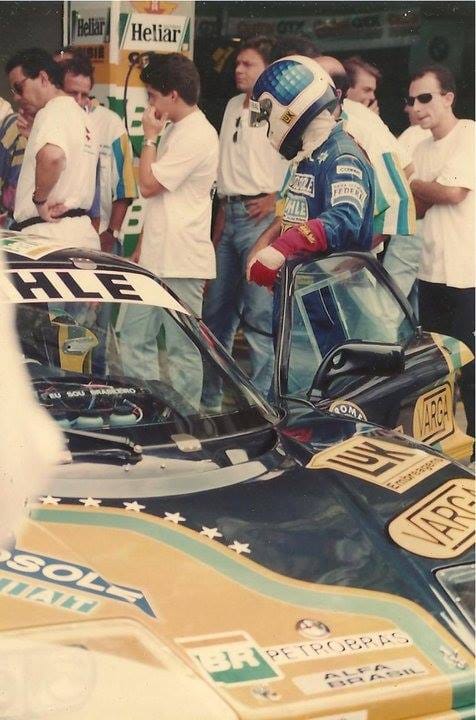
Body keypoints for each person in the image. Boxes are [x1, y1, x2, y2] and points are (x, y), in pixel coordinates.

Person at [120, 53, 218, 404]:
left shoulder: (198, 133)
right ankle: (147, 408)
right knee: (133, 338)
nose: (150, 105)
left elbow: (148, 185)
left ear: (173, 94)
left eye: (152, 96)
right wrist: (141, 247)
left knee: (182, 349)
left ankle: (186, 417)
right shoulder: (177, 128)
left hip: (182, 259)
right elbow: (157, 198)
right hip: (157, 255)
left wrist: (148, 138)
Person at [202, 36, 288, 405]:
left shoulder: (280, 109)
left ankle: (262, 402)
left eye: (248, 64)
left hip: (261, 220)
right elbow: (225, 167)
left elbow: (296, 160)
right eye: (237, 63)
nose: (239, 69)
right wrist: (220, 219)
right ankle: (210, 397)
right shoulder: (231, 106)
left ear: (268, 69)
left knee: (259, 316)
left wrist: (277, 198)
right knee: (215, 312)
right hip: (230, 214)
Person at [247, 55, 374, 289]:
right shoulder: (310, 153)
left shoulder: (342, 156)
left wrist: (282, 248)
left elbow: (344, 219)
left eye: (269, 118)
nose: (269, 128)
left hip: (336, 295)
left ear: (288, 112)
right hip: (307, 290)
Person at [408, 65, 474, 438]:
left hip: (467, 273)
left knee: (472, 369)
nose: (417, 107)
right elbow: (417, 208)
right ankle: (446, 445)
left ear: (448, 98)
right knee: (437, 369)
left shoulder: (469, 134)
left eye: (425, 97)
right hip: (430, 272)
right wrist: (426, 187)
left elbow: (452, 193)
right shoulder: (419, 147)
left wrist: (416, 183)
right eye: (412, 100)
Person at [5, 48, 100, 247]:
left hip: (46, 234)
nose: (17, 97)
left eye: (19, 87)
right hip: (82, 232)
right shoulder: (85, 118)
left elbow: (53, 157)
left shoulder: (51, 111)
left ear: (43, 78)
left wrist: (39, 201)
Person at [60, 53, 137, 253]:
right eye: (72, 93)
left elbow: (125, 188)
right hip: (59, 235)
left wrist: (111, 232)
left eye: (84, 94)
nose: (78, 101)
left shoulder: (111, 124)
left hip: (102, 238)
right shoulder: (49, 121)